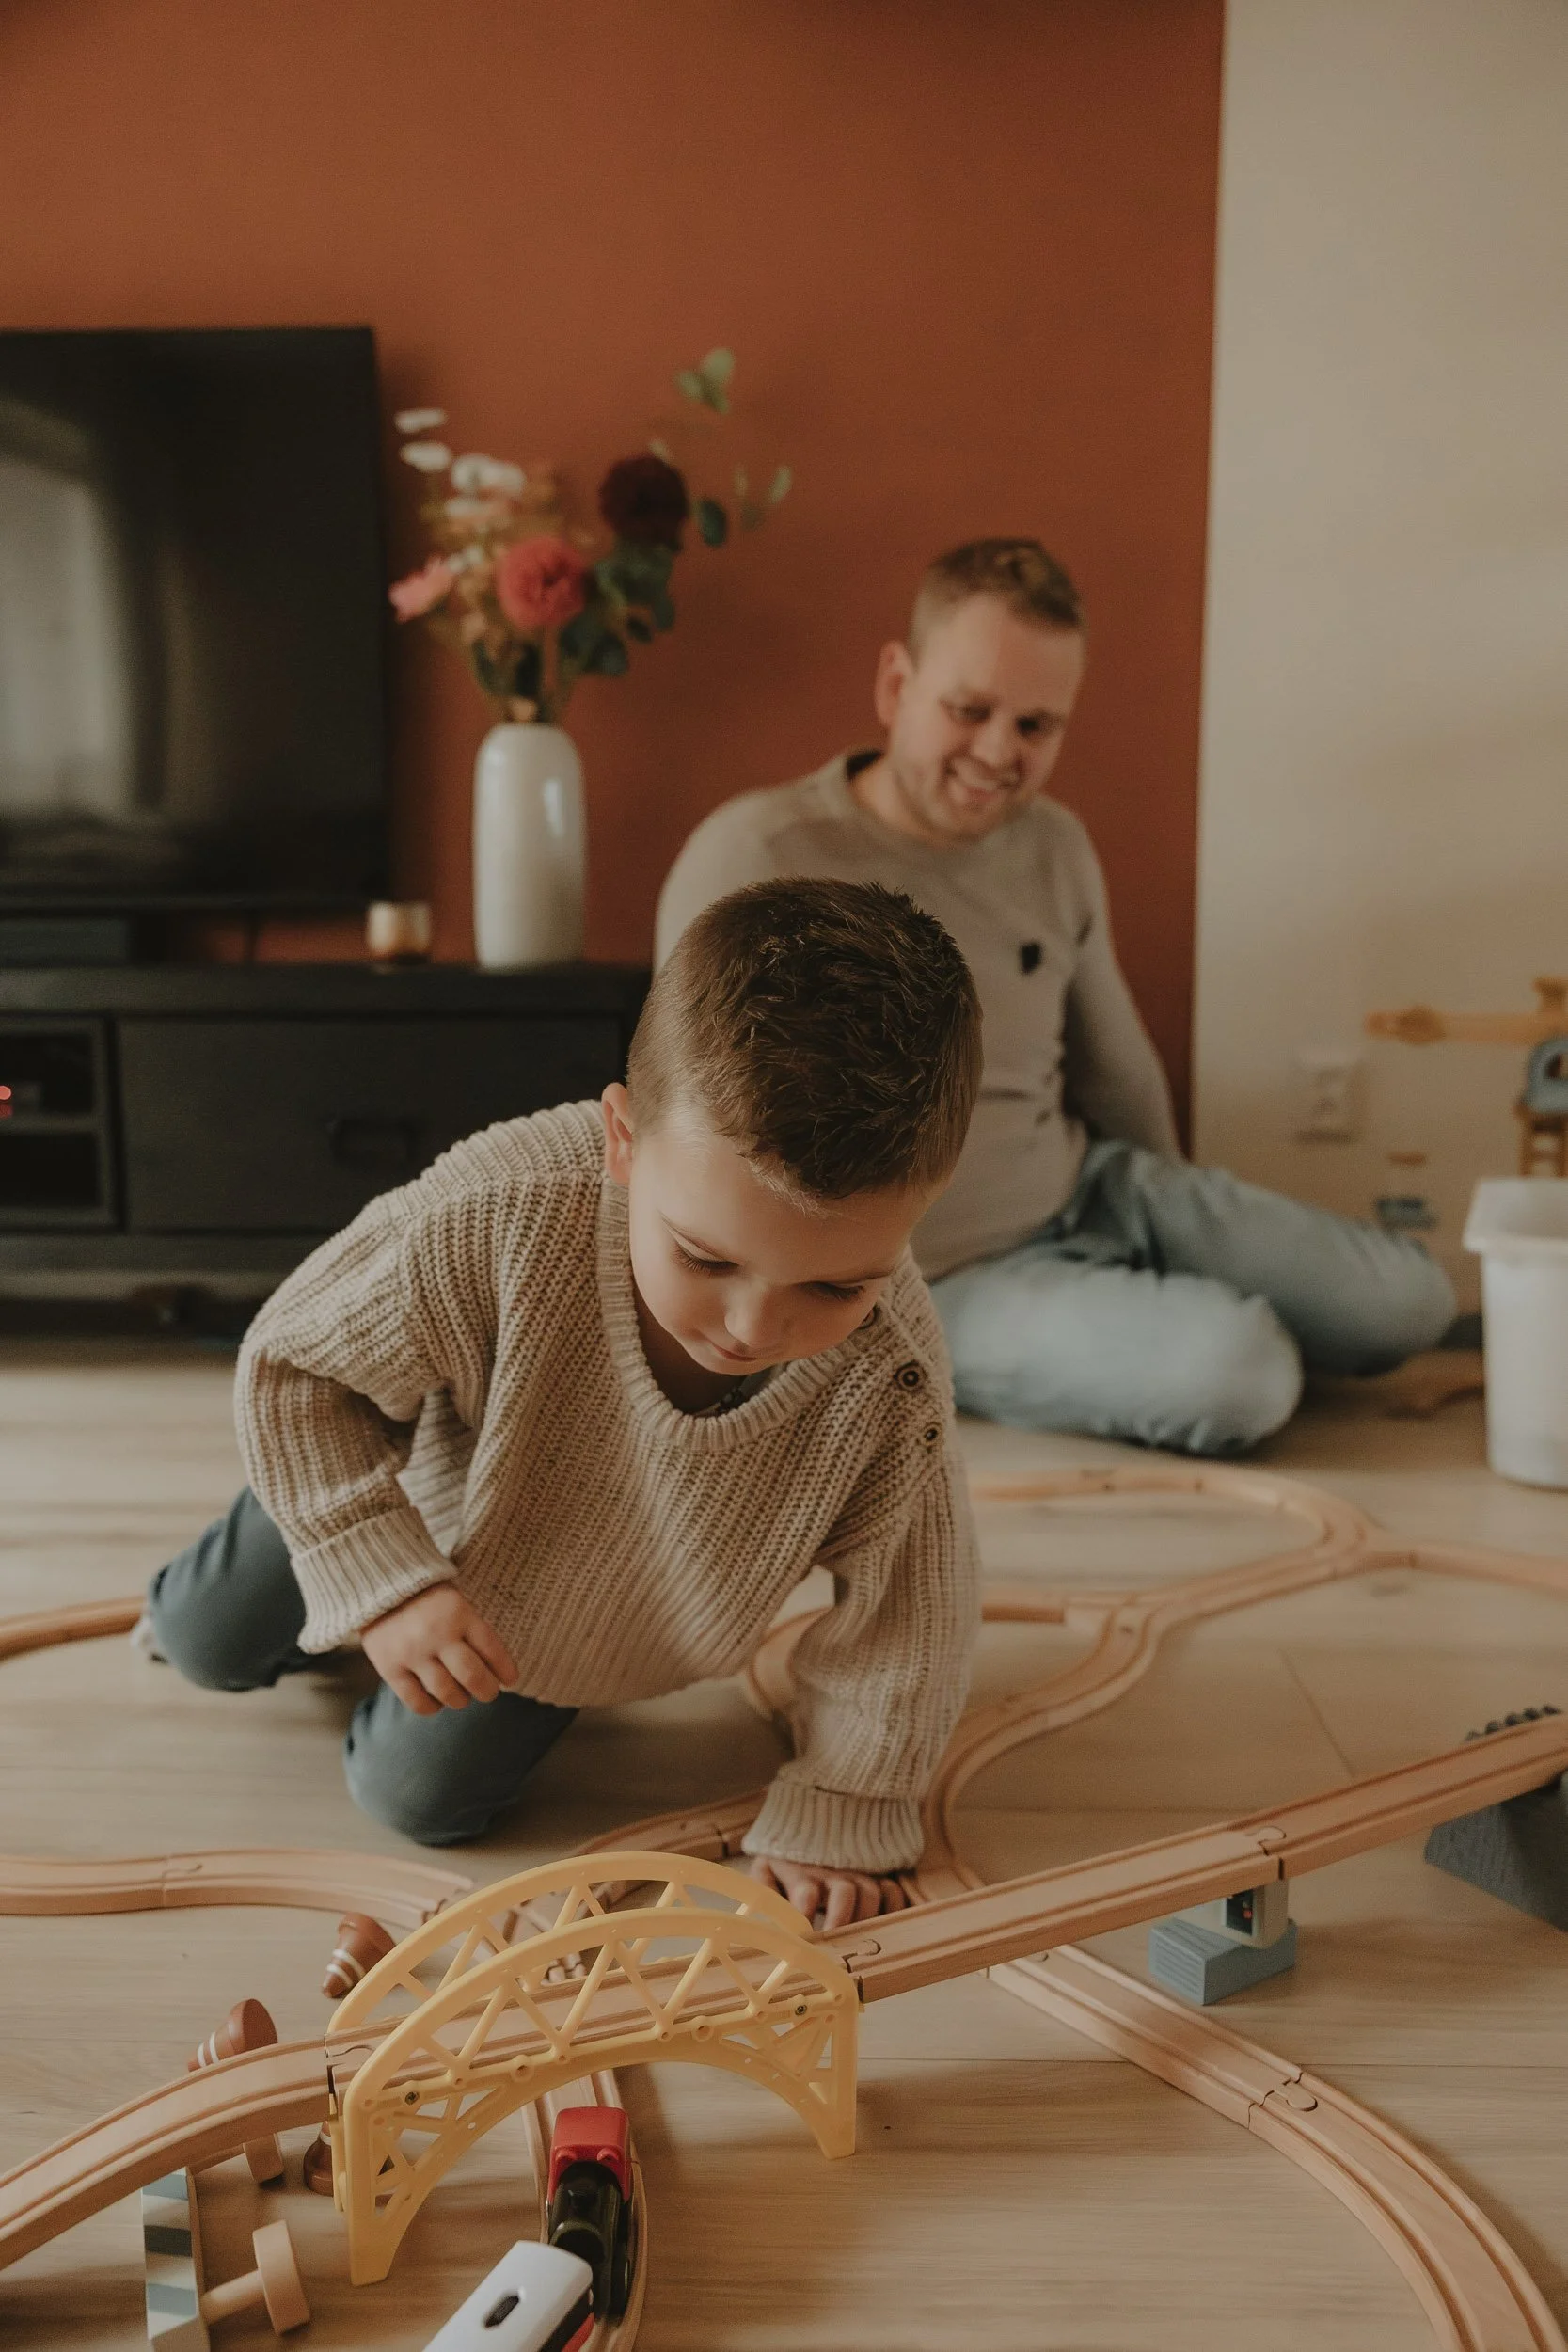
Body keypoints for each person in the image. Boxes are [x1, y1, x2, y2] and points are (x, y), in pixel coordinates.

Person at [143, 880, 983, 1932]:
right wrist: (378, 1571)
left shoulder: (892, 1377)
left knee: (417, 1800)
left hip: (571, 1609)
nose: (751, 1326)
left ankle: (391, 1607)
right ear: (622, 1139)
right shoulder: (498, 1209)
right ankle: (320, 1532)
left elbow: (912, 1608)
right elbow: (292, 1365)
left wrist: (848, 1798)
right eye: (704, 1256)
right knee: (201, 1637)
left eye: (833, 1286)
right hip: (426, 1476)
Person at [657, 540, 1454, 1457]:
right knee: (1243, 1372)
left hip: (1092, 1194)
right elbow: (700, 1121)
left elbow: (1117, 1072)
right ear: (894, 685)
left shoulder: (1055, 847)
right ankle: (1119, 1335)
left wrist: (1188, 1228)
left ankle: (1137, 1311)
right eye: (969, 710)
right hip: (939, 1270)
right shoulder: (755, 857)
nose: (999, 752)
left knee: (1411, 1298)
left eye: (1036, 727)